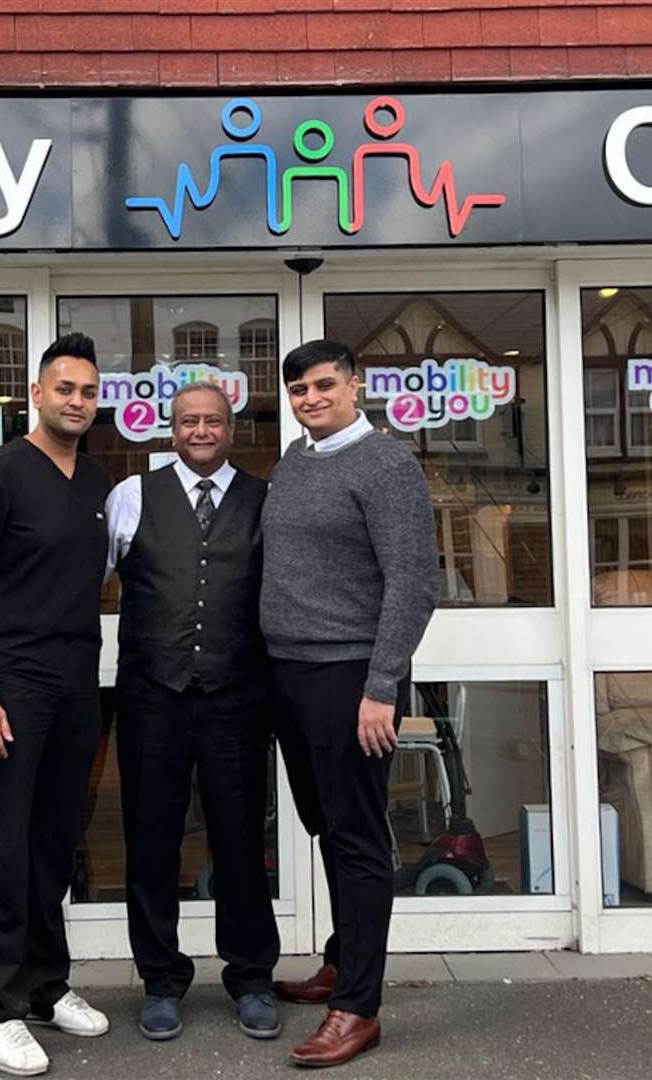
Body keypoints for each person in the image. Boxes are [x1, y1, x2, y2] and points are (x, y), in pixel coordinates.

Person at [261, 339, 438, 1069]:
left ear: (354, 385)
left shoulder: (387, 465)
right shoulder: (294, 462)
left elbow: (412, 583)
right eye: (299, 389)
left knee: (359, 838)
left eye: (324, 384)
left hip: (349, 678)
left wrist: (380, 687)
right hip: (289, 674)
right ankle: (342, 959)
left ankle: (358, 1007)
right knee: (326, 825)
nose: (311, 398)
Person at [0, 333, 113, 1077]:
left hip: (79, 682)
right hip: (12, 683)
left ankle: (46, 986)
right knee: (6, 846)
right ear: (36, 395)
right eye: (64, 388)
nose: (77, 400)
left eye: (88, 390)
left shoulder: (98, 481)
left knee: (53, 843)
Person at [105, 382, 281, 1043]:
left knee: (239, 841)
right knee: (150, 841)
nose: (200, 430)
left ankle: (252, 978)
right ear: (169, 428)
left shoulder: (265, 501)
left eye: (212, 421)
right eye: (188, 421)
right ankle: (160, 979)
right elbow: (82, 580)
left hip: (238, 698)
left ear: (232, 430)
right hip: (153, 699)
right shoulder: (130, 497)